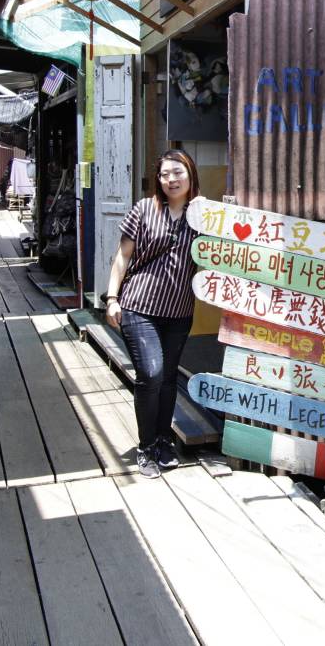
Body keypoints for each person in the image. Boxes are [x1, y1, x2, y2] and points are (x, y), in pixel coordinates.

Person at [104, 150, 201, 478]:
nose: (172, 179)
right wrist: (112, 297)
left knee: (170, 377)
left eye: (178, 172)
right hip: (138, 307)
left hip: (179, 310)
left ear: (190, 175)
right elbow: (122, 256)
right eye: (165, 174)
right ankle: (146, 447)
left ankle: (163, 441)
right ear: (158, 180)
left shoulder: (204, 216)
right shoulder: (145, 209)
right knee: (152, 373)